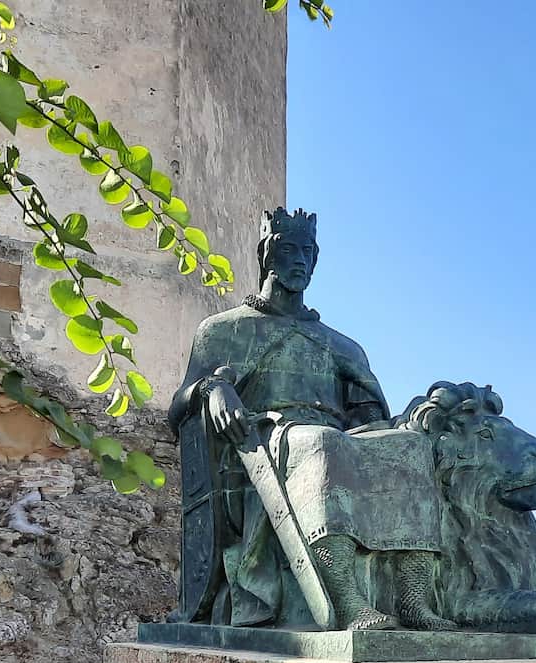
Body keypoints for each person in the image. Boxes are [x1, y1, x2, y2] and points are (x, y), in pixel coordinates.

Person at [168, 207, 454, 631]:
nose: (300, 260)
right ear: (267, 255)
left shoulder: (342, 345)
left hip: (334, 439)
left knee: (410, 447)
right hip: (266, 438)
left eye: (308, 251)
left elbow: (370, 413)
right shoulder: (223, 330)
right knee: (324, 442)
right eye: (288, 250)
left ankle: (414, 600)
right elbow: (177, 409)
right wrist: (211, 389)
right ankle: (349, 604)